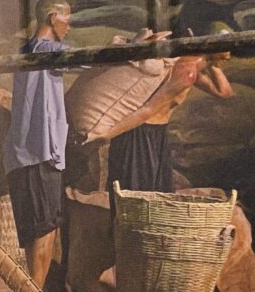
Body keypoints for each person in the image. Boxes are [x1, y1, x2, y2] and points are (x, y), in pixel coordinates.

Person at [87, 40, 233, 204]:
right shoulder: (187, 71)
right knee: (136, 198)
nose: (230, 53)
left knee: (158, 196)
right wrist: (107, 135)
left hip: (156, 133)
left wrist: (213, 63)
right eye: (225, 44)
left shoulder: (194, 69)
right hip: (139, 134)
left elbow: (224, 92)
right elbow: (147, 110)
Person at [5, 0, 73, 290]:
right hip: (39, 151)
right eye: (67, 19)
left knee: (45, 227)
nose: (69, 27)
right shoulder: (46, 50)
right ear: (53, 17)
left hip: (32, 152)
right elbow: (85, 59)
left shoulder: (28, 50)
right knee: (42, 230)